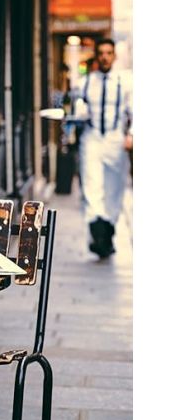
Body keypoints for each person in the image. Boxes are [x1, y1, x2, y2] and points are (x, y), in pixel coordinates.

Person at [73, 38, 133, 258]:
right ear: (97, 56)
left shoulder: (126, 82)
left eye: (109, 53)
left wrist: (132, 135)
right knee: (91, 185)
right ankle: (98, 235)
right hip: (92, 138)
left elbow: (134, 111)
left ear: (114, 56)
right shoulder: (85, 82)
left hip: (116, 139)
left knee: (114, 188)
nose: (105, 56)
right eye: (102, 53)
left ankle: (107, 233)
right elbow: (76, 108)